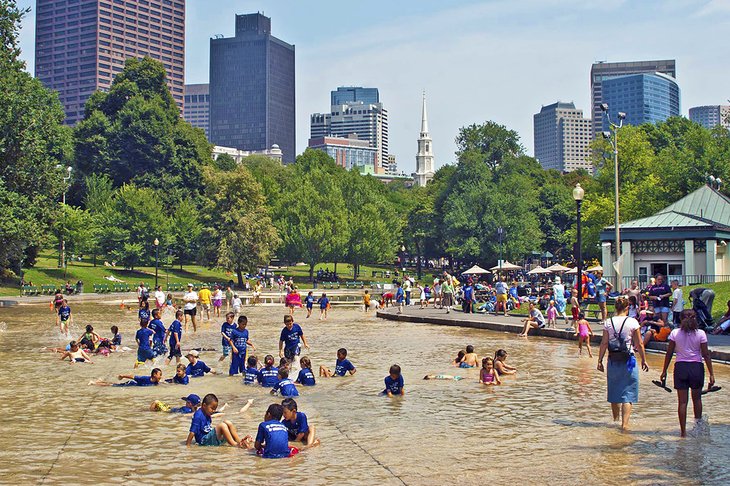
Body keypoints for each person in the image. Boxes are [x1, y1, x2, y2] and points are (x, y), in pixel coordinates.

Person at [659, 309, 716, 437]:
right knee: (697, 399)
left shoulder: (675, 333)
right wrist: (711, 374)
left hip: (680, 368)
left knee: (682, 402)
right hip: (696, 367)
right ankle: (698, 429)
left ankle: (683, 432)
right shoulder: (701, 333)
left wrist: (664, 371)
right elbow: (706, 355)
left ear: (680, 319)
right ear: (695, 318)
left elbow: (669, 353)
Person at [597, 297, 649, 431]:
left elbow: (604, 343)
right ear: (627, 308)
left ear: (615, 307)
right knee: (628, 393)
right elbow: (639, 343)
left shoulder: (608, 322)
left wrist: (600, 360)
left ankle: (615, 421)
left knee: (614, 391)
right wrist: (643, 359)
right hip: (629, 360)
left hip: (613, 359)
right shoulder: (632, 322)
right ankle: (625, 425)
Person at [91, 368, 163, 387]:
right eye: (160, 374)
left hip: (133, 386)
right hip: (130, 384)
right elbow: (133, 376)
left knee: (113, 384)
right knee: (112, 385)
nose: (160, 376)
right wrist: (122, 376)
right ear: (154, 374)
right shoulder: (145, 378)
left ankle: (99, 381)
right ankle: (94, 383)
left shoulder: (156, 382)